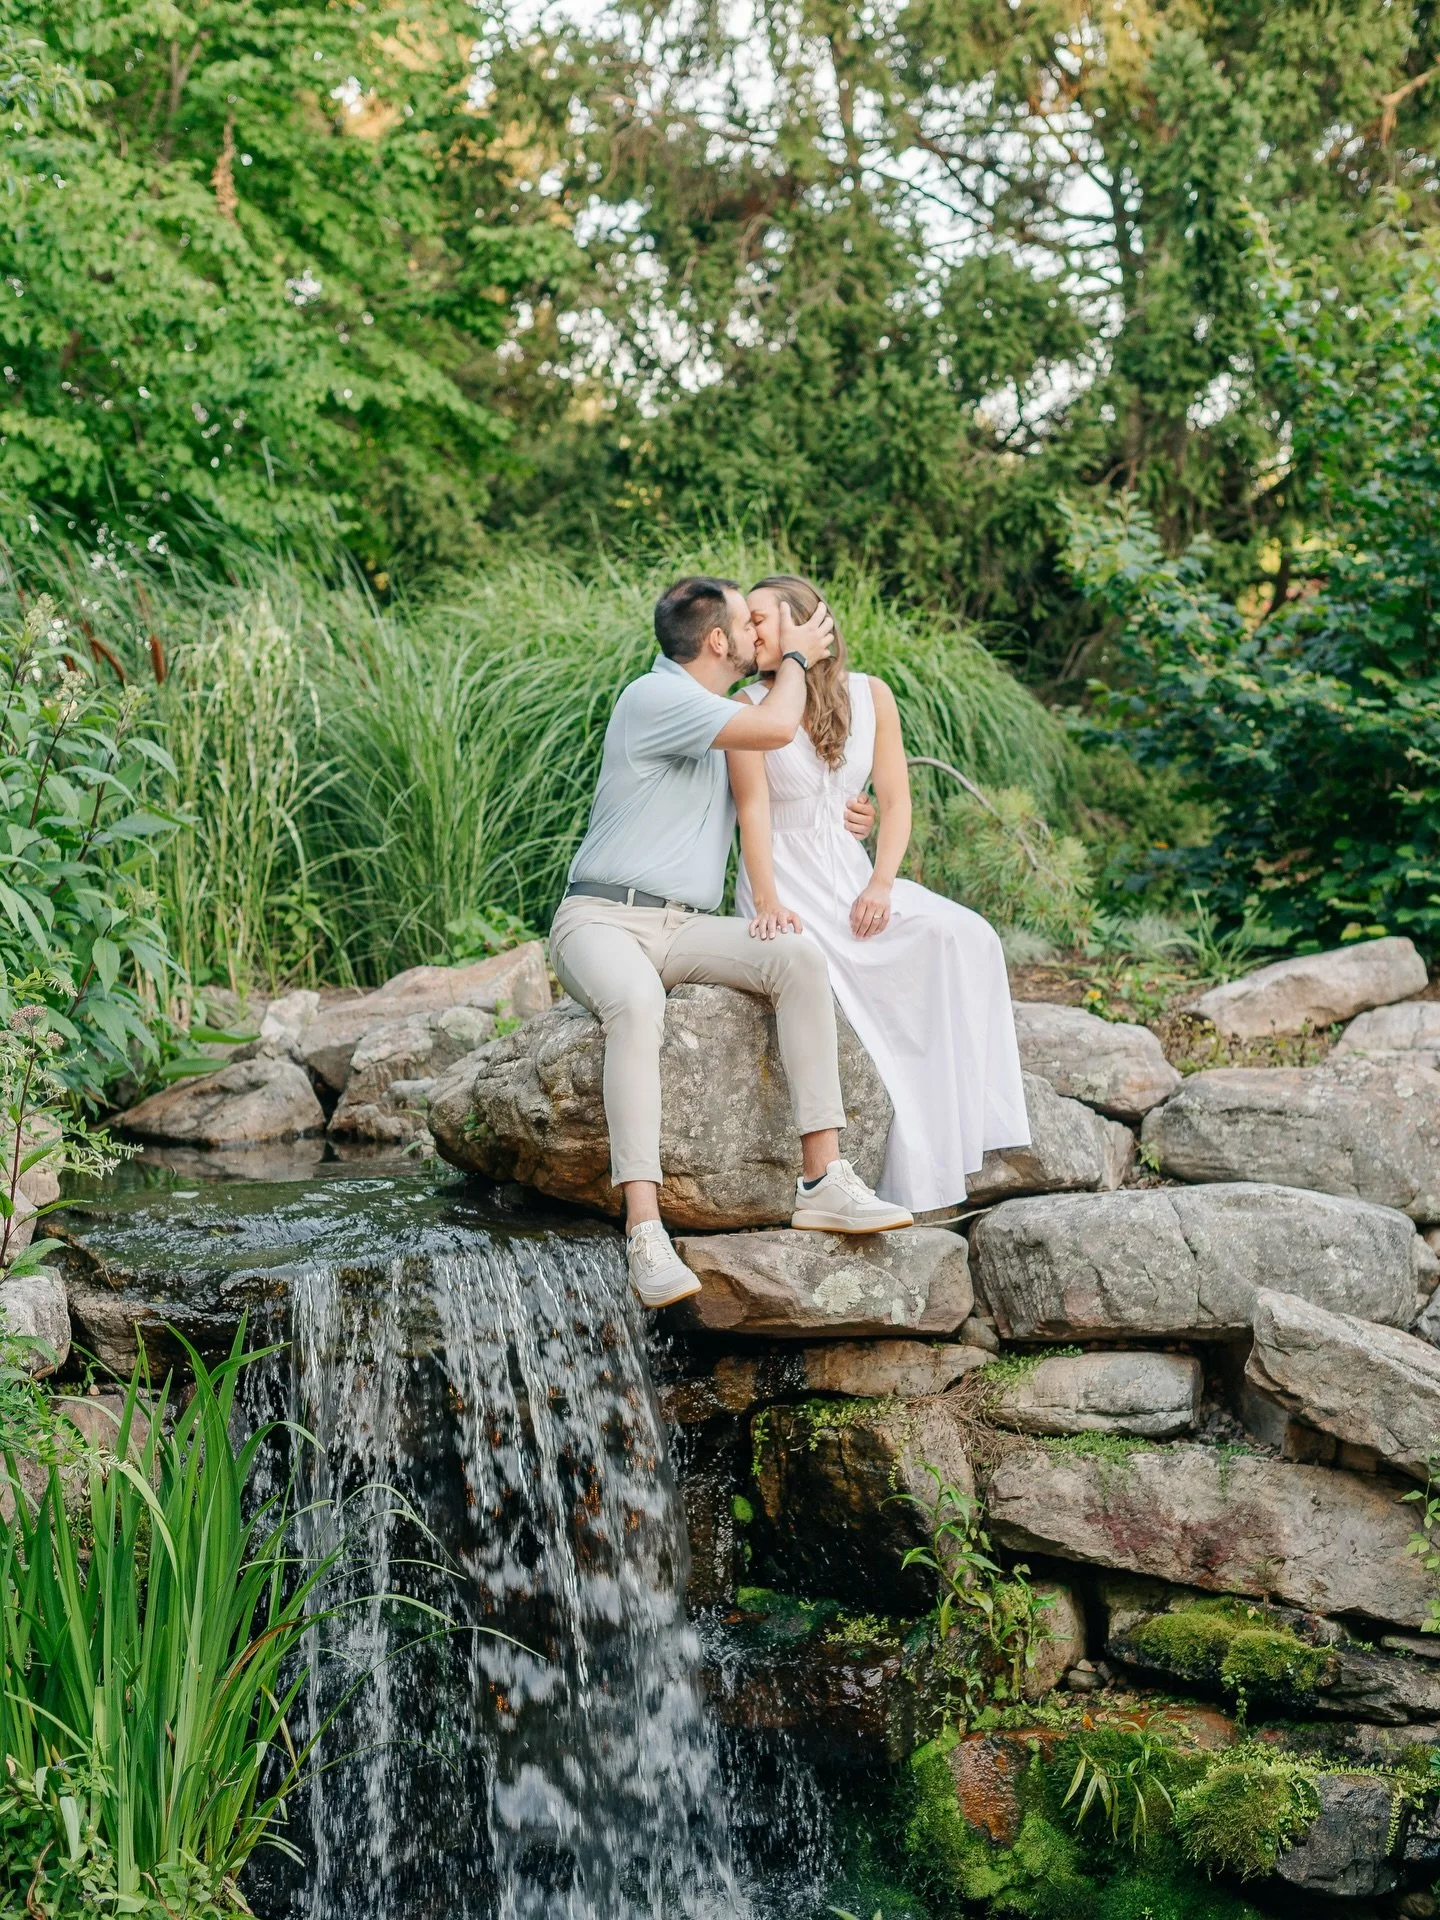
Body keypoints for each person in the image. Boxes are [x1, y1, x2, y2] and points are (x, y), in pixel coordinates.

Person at [550, 575, 914, 1311]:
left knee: (797, 957)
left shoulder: (720, 713)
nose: (758, 633)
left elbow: (778, 788)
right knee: (635, 1005)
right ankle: (646, 1232)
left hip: (682, 925)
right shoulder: (653, 698)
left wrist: (858, 814)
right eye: (747, 625)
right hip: (599, 920)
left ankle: (822, 1177)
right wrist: (799, 658)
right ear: (718, 642)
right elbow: (779, 727)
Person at [729, 573, 1031, 1215]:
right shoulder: (750, 706)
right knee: (846, 969)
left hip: (851, 870)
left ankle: (962, 1126)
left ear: (804, 623)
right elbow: (752, 814)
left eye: (760, 619)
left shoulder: (871, 696)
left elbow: (895, 801)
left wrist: (881, 882)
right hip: (786, 879)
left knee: (964, 934)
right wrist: (767, 899)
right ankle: (891, 1157)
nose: (747, 631)